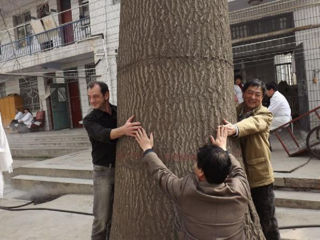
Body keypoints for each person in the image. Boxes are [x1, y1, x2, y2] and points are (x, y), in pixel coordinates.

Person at [135, 126, 250, 240]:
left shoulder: (186, 190)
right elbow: (237, 170)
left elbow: (162, 174)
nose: (194, 164)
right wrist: (223, 152)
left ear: (200, 172)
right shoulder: (241, 189)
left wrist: (148, 150)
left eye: (196, 162)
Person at [222, 79, 280, 240]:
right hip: (237, 176)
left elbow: (254, 123)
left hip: (260, 177)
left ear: (262, 98)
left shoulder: (265, 114)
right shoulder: (234, 110)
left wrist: (235, 128)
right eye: (250, 93)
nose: (253, 97)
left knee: (267, 219)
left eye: (257, 94)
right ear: (244, 93)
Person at [83, 81, 141, 240]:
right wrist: (124, 130)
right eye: (90, 97)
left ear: (106, 95)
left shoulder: (118, 112)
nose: (92, 101)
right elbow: (102, 134)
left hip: (122, 169)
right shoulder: (89, 120)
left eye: (95, 96)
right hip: (103, 172)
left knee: (116, 216)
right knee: (101, 218)